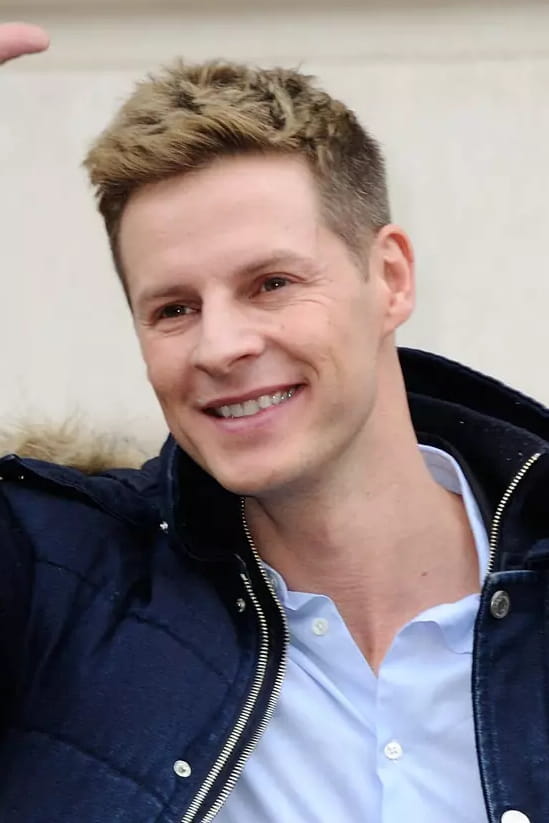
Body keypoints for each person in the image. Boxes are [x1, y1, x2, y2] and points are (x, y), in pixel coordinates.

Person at [1, 23, 547, 823]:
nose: (220, 346)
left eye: (271, 283)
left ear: (389, 277)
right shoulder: (60, 586)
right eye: (174, 308)